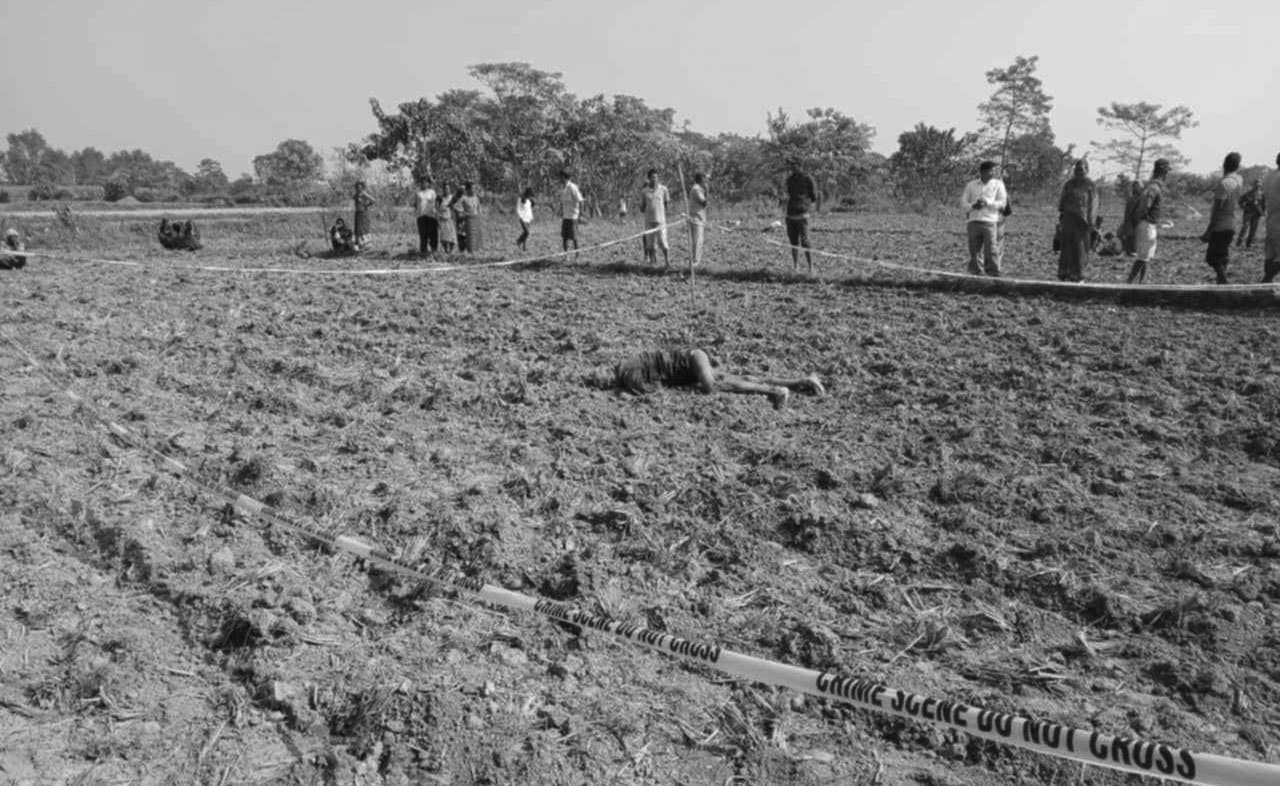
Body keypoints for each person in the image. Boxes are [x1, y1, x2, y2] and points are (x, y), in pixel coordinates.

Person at [592, 348, 826, 409]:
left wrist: (620, 395)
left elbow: (651, 394)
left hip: (692, 363)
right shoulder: (626, 364)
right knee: (741, 377)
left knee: (713, 388)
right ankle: (801, 381)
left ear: (609, 375)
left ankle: (775, 393)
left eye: (602, 381)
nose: (604, 383)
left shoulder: (628, 376)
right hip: (693, 359)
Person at [1126, 159, 1171, 284]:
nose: (1167, 175)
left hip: (1148, 224)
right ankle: (1129, 282)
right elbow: (1145, 205)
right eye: (1166, 171)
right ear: (1163, 171)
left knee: (1145, 256)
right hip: (1146, 224)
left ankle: (1142, 282)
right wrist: (1138, 219)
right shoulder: (1154, 187)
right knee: (1143, 257)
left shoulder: (1153, 186)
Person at [1202, 152, 1243, 284]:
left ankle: (1224, 281)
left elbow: (1218, 209)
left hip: (1221, 225)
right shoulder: (1238, 181)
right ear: (1237, 166)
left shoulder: (1224, 184)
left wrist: (1209, 230)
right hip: (1231, 223)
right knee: (1222, 256)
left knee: (1212, 258)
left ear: (1224, 164)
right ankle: (1220, 284)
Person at [961, 161, 1007, 277]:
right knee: (974, 249)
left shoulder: (998, 184)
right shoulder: (971, 185)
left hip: (990, 221)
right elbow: (963, 203)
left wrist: (987, 202)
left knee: (991, 248)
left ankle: (993, 272)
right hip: (974, 220)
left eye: (994, 170)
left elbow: (1002, 203)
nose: (994, 172)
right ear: (983, 172)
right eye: (992, 170)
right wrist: (973, 206)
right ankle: (976, 272)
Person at [1056, 159, 1098, 282]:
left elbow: (1093, 205)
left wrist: (1091, 223)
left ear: (1087, 170)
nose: (1078, 171)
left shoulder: (1090, 186)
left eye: (1081, 169)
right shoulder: (1069, 184)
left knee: (1080, 248)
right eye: (1077, 169)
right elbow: (1062, 203)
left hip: (1083, 221)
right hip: (1069, 219)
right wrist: (1061, 219)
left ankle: (1079, 274)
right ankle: (1065, 272)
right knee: (1066, 246)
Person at [784, 159, 819, 271]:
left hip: (803, 214)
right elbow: (789, 193)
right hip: (790, 214)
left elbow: (814, 196)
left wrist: (806, 206)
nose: (792, 168)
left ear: (800, 165)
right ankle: (795, 267)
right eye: (791, 166)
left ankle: (811, 267)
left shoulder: (808, 179)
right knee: (793, 242)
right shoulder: (790, 180)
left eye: (794, 165)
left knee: (805, 241)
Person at [640, 168, 671, 267]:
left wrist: (663, 213)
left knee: (662, 241)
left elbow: (666, 203)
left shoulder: (663, 189)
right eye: (652, 177)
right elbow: (643, 207)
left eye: (656, 177)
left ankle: (667, 262)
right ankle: (653, 262)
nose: (654, 179)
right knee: (650, 244)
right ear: (648, 178)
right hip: (649, 220)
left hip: (660, 220)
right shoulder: (645, 191)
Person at [557, 169, 585, 258]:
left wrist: (581, 215)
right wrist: (560, 210)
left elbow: (580, 201)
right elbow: (562, 202)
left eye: (560, 177)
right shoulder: (562, 188)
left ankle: (577, 255)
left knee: (574, 237)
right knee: (564, 237)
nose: (559, 179)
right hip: (565, 216)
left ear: (564, 177)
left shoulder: (573, 187)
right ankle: (566, 256)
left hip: (573, 216)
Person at [1263, 153, 1280, 283]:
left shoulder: (1269, 176)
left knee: (1270, 255)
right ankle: (1265, 282)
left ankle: (1266, 286)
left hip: (1271, 219)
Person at [412, 177, 439, 256]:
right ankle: (423, 251)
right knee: (423, 234)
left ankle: (434, 251)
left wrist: (436, 213)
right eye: (422, 182)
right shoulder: (418, 193)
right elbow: (415, 204)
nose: (424, 184)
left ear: (428, 183)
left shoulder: (432, 192)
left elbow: (436, 203)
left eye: (425, 182)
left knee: (432, 234)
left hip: (431, 216)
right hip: (421, 215)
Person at [1237, 179, 1265, 250]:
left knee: (1253, 230)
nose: (1258, 185)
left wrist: (1263, 212)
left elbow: (1264, 204)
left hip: (1257, 214)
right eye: (1256, 184)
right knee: (1245, 227)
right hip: (1248, 213)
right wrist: (1244, 207)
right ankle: (1239, 243)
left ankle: (1248, 244)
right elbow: (1240, 201)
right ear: (1254, 185)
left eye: (1259, 184)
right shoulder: (1248, 193)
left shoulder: (1262, 194)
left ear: (1261, 185)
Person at [688, 172, 709, 266]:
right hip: (696, 217)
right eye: (704, 179)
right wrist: (707, 191)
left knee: (699, 240)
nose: (706, 181)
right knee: (697, 240)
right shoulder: (696, 189)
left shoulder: (698, 189)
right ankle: (695, 261)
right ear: (701, 180)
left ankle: (696, 261)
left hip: (699, 217)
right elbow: (704, 202)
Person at [457, 182, 482, 254]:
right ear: (468, 189)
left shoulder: (476, 198)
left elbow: (479, 208)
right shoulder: (464, 198)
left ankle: (475, 252)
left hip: (476, 219)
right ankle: (470, 252)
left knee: (477, 236)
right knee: (470, 237)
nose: (474, 190)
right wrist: (463, 213)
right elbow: (457, 207)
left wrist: (478, 214)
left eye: (475, 188)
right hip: (468, 220)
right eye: (472, 188)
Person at [352, 182, 375, 249]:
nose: (358, 188)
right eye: (357, 187)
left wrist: (367, 205)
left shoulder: (364, 194)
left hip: (363, 213)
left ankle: (366, 244)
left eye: (360, 187)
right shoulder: (356, 195)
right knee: (357, 228)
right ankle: (359, 244)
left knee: (363, 228)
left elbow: (373, 200)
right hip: (357, 213)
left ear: (362, 187)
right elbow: (355, 200)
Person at [436, 182, 457, 254]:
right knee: (444, 237)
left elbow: (454, 208)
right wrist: (438, 217)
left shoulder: (452, 197)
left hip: (450, 219)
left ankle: (450, 250)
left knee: (452, 238)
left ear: (450, 189)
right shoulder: (439, 198)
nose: (446, 190)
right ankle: (446, 250)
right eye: (445, 188)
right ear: (443, 189)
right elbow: (437, 208)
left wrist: (454, 217)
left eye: (448, 188)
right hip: (443, 219)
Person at [516, 188, 535, 252]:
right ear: (527, 193)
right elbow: (518, 209)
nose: (530, 196)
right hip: (522, 218)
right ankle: (518, 241)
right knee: (527, 232)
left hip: (528, 218)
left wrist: (531, 217)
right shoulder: (521, 199)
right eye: (530, 194)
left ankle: (524, 247)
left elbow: (530, 208)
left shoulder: (529, 200)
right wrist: (520, 217)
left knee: (525, 233)